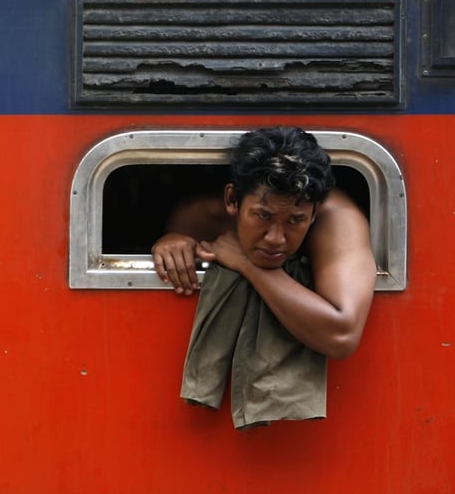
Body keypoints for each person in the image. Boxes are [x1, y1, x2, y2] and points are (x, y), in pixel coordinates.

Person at [151, 126, 376, 360]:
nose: (275, 238)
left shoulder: (338, 218)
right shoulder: (201, 217)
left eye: (295, 220)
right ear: (232, 200)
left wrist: (247, 264)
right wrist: (170, 244)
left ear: (314, 212)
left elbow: (341, 336)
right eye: (263, 216)